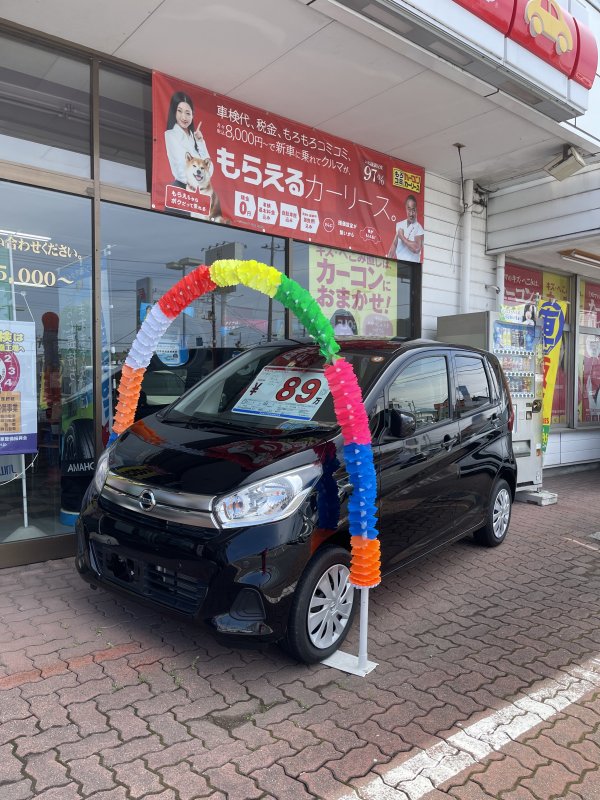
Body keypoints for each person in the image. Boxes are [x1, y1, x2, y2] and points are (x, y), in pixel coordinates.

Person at [164, 91, 211, 188]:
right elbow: (180, 171)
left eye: (188, 113)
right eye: (179, 111)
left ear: (193, 115)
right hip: (182, 189)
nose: (184, 117)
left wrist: (200, 142)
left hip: (197, 191)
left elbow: (209, 168)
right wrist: (200, 179)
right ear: (174, 112)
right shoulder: (170, 135)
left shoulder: (195, 138)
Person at [387, 194, 424, 262]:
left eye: (413, 210)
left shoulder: (419, 228)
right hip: (399, 265)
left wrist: (402, 238)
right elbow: (394, 244)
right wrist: (387, 261)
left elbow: (416, 248)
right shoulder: (400, 225)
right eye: (409, 210)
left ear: (416, 210)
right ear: (406, 209)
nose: (411, 214)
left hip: (412, 266)